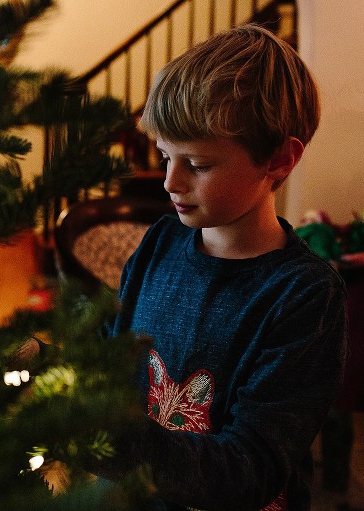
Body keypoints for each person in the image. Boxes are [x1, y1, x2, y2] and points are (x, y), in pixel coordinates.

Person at [91, 24, 348, 510]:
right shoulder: (159, 244)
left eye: (198, 164)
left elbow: (250, 468)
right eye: (166, 156)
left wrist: (102, 442)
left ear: (278, 159)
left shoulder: (305, 296)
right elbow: (110, 355)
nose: (170, 181)